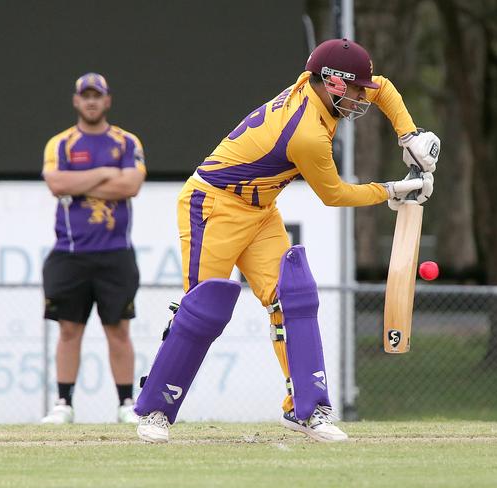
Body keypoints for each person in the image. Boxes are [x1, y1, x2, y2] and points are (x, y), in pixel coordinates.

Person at [133, 39, 440, 443]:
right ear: (332, 84)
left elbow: (382, 87)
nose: (361, 98)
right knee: (201, 309)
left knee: (294, 296)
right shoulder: (306, 134)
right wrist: (392, 189)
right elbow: (334, 195)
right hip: (213, 205)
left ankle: (305, 409)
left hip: (260, 210)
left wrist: (409, 135)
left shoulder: (319, 89)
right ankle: (155, 410)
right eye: (354, 90)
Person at [40, 72, 146, 424]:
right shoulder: (61, 144)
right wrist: (104, 173)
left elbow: (131, 185)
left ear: (107, 100)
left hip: (116, 252)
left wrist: (81, 183)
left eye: (96, 95)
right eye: (84, 95)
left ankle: (127, 403)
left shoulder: (127, 142)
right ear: (75, 101)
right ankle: (63, 404)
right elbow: (56, 182)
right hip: (70, 253)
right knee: (69, 329)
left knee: (118, 329)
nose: (90, 101)